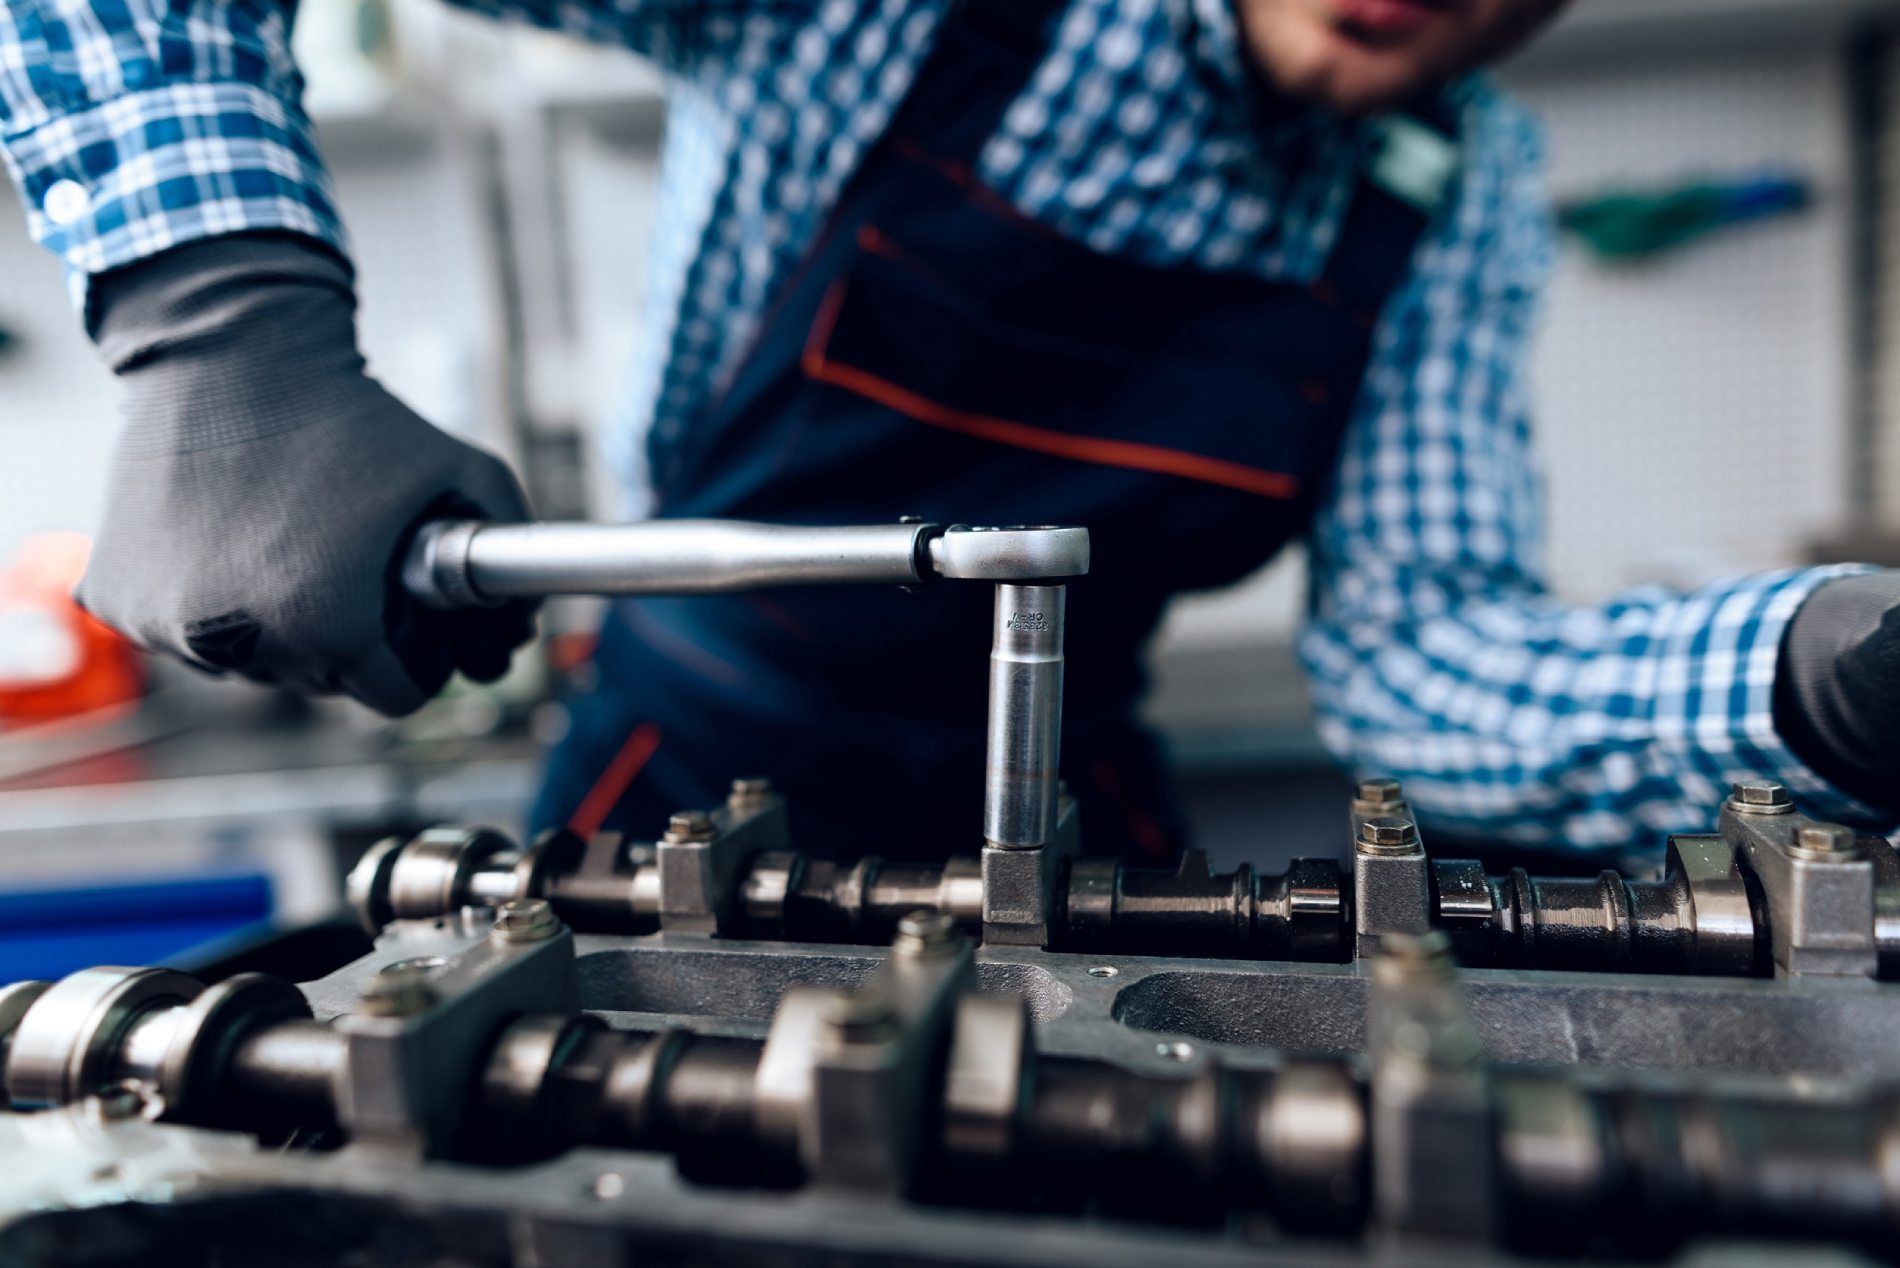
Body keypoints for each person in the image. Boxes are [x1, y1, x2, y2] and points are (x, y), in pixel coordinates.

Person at [2, 0, 1892, 861]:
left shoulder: (1450, 176)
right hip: (686, 794)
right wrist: (215, 312)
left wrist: (1814, 676)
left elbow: (1420, 670)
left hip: (1079, 834)